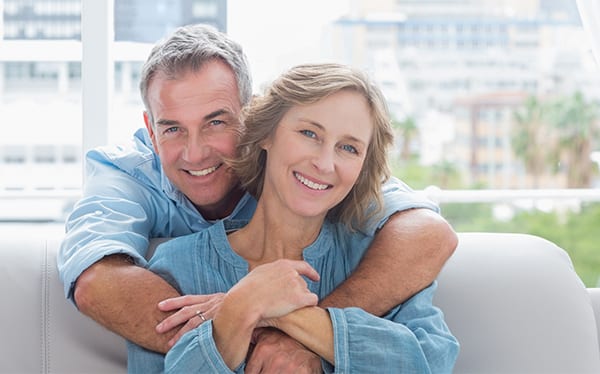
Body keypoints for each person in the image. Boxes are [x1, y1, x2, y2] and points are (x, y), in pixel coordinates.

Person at [58, 24, 458, 372]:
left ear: (250, 120)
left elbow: (431, 353)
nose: (195, 153)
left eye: (216, 122)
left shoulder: (370, 256)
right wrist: (239, 310)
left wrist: (297, 324)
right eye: (309, 134)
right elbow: (96, 281)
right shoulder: (170, 254)